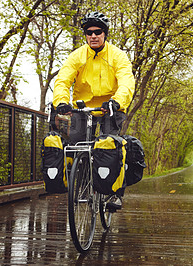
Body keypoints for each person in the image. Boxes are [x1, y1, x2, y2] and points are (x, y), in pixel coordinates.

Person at [52, 11, 135, 209]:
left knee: (111, 148)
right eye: (89, 32)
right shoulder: (77, 56)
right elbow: (62, 80)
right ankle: (82, 181)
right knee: (75, 144)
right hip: (83, 108)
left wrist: (117, 101)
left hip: (111, 108)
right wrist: (62, 102)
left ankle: (115, 194)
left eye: (98, 32)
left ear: (105, 34)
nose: (93, 36)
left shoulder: (117, 56)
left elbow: (126, 81)